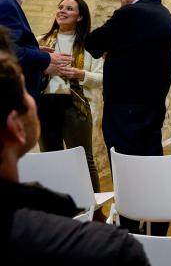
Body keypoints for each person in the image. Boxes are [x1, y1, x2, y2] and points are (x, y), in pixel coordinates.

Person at [0, 30, 149, 265]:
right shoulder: (108, 250)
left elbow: (98, 76)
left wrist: (80, 74)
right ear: (15, 127)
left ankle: (94, 210)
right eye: (24, 88)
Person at [85, 0, 171, 236]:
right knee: (150, 164)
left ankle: (129, 225)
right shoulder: (163, 14)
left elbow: (94, 42)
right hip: (151, 106)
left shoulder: (130, 14)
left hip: (124, 109)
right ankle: (157, 220)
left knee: (125, 169)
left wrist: (110, 49)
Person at [38, 0, 103, 193]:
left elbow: (102, 78)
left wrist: (80, 73)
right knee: (50, 159)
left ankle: (94, 210)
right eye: (60, 7)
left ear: (80, 16)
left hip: (76, 106)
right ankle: (57, 209)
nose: (62, 11)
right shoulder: (40, 41)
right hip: (45, 104)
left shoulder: (90, 44)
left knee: (83, 160)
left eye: (69, 8)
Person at [0, 0, 72, 100]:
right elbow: (8, 52)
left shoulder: (6, 0)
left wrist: (34, 49)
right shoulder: (5, 3)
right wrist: (46, 57)